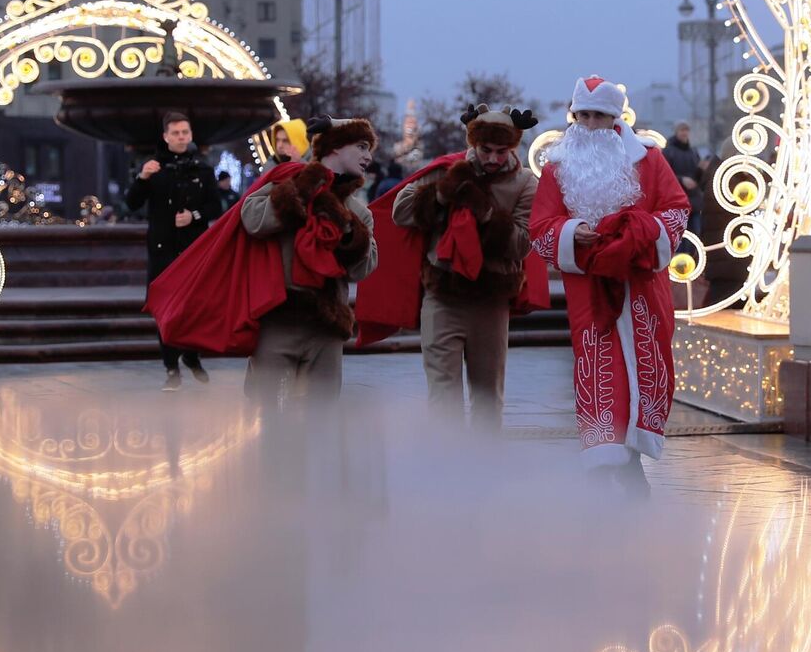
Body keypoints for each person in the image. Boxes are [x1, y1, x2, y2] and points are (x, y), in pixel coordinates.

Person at [529, 77, 690, 491]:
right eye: (582, 115)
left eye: (598, 115)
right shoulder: (558, 164)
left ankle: (632, 452)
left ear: (615, 117)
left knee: (644, 364)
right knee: (600, 367)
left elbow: (675, 208)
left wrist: (640, 232)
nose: (589, 123)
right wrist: (571, 231)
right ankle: (603, 458)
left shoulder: (649, 159)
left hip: (641, 283)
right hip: (590, 283)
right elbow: (542, 225)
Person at [364, 104, 544, 430]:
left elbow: (522, 244)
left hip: (491, 300)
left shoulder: (525, 183)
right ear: (473, 143)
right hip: (443, 296)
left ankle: (483, 467)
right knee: (442, 393)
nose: (492, 158)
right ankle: (445, 466)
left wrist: (486, 214)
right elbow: (400, 213)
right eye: (485, 150)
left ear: (513, 147)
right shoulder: (448, 169)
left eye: (501, 151)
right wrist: (441, 195)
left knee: (488, 396)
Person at [237, 118, 379, 404]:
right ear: (336, 147)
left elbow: (364, 269)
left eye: (369, 149)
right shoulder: (289, 181)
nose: (369, 156)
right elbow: (251, 218)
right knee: (267, 415)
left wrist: (351, 234)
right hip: (277, 320)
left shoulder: (358, 213)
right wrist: (300, 193)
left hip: (326, 329)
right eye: (361, 147)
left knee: (321, 419)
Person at [126, 112, 223, 390]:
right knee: (165, 310)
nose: (181, 137)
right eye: (176, 133)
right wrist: (142, 178)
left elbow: (215, 207)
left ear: (191, 135)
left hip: (193, 250)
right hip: (162, 250)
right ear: (166, 137)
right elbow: (131, 203)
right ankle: (171, 368)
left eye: (185, 132)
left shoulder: (202, 169)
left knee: (194, 307)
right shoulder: (154, 168)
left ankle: (191, 356)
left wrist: (193, 215)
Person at [663, 121, 705, 240]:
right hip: (677, 203)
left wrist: (701, 170)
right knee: (679, 238)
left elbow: (698, 178)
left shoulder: (693, 152)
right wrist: (681, 180)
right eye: (682, 130)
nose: (684, 133)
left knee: (695, 238)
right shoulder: (668, 152)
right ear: (676, 132)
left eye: (686, 130)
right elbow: (665, 176)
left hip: (695, 203)